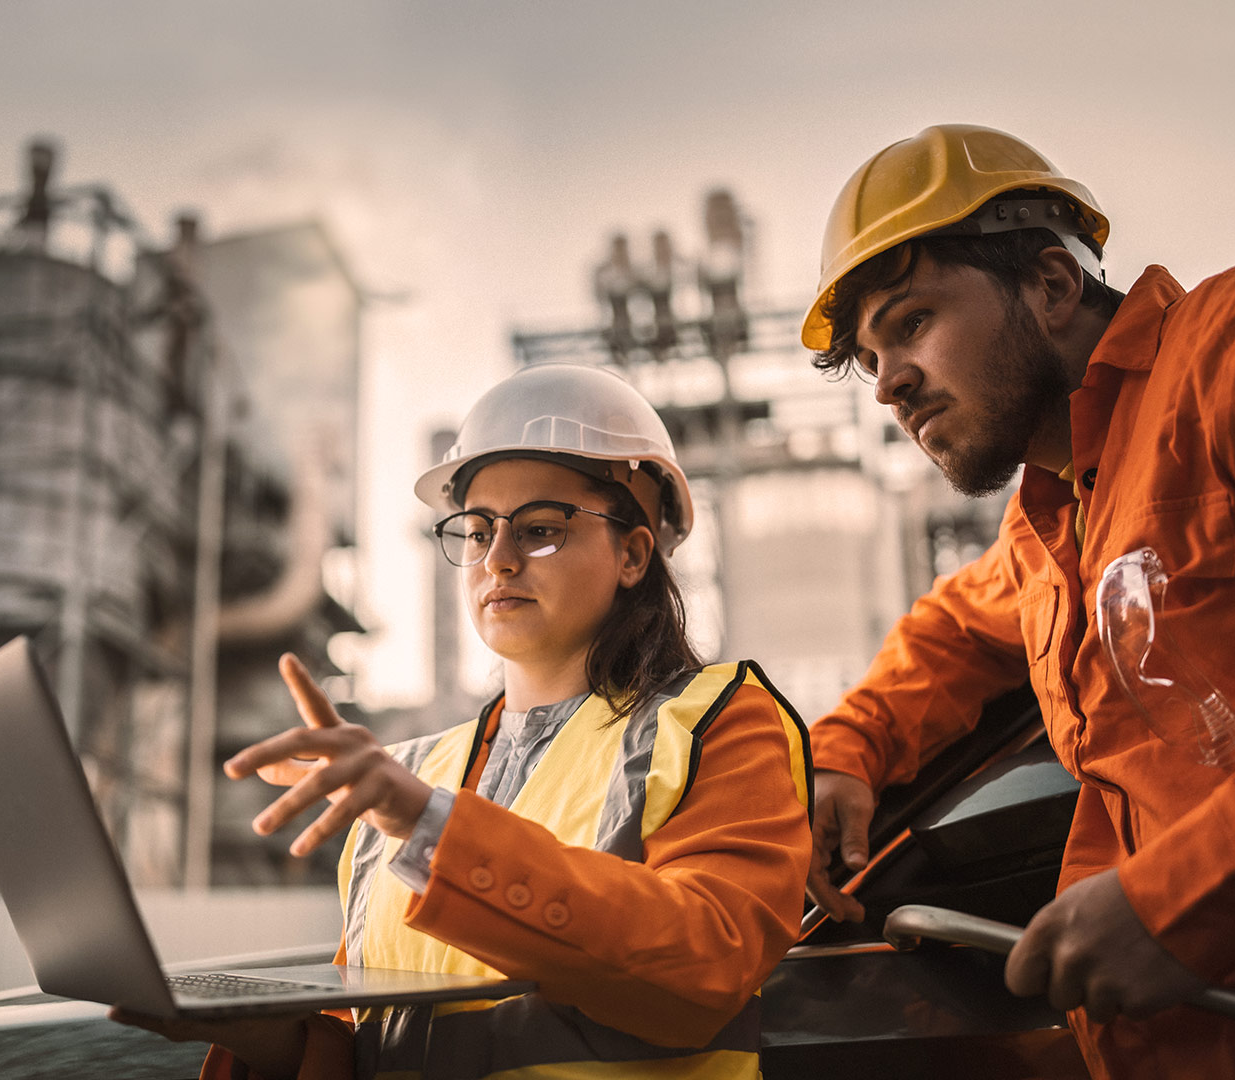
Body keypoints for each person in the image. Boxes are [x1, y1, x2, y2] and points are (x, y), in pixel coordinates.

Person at [117, 361, 812, 1079]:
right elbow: (372, 1052)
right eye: (477, 532)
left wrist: (430, 826)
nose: (499, 560)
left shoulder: (716, 724)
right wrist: (266, 1040)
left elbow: (705, 967)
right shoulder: (406, 783)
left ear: (633, 553)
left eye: (540, 529)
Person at [800, 123, 1235, 1078]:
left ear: (1051, 284)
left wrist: (1177, 901)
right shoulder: (1049, 523)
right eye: (871, 357)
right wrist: (845, 752)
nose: (889, 385)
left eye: (912, 321)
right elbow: (950, 634)